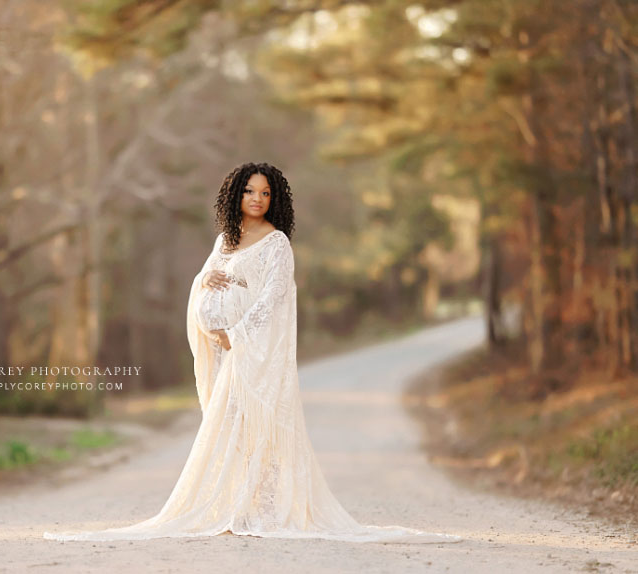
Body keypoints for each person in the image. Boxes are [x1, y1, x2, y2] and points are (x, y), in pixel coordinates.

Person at [43, 162, 463, 544]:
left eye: (265, 193)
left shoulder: (277, 243)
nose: (258, 199)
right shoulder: (224, 240)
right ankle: (230, 507)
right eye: (250, 191)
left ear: (274, 198)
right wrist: (210, 302)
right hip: (227, 353)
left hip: (256, 354)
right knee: (228, 429)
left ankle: (258, 509)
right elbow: (205, 280)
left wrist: (237, 335)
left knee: (260, 427)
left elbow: (273, 298)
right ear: (235, 196)